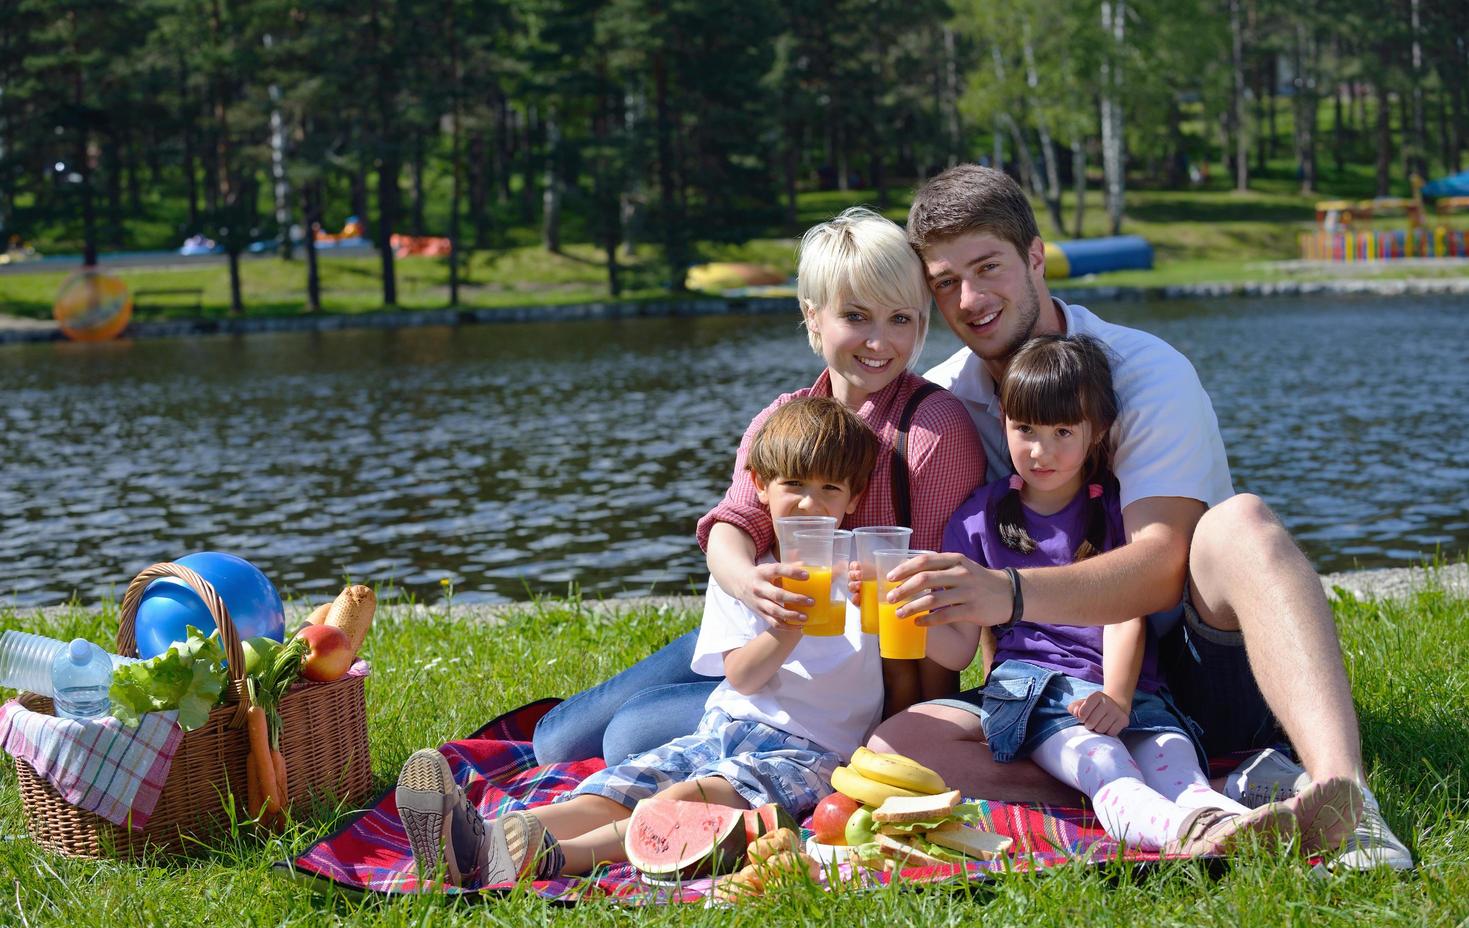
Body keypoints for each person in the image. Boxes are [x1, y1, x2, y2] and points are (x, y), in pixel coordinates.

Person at [868, 164, 1410, 870]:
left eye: (987, 267)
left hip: (1193, 669)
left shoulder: (1143, 371)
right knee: (894, 750)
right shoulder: (943, 402)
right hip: (1050, 694)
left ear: (1035, 257)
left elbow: (1159, 567)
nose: (969, 299)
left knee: (1239, 523)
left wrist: (1007, 591)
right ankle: (1196, 799)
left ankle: (1346, 803)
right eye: (944, 282)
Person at [531, 207, 984, 766]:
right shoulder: (785, 415)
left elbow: (950, 607)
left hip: (862, 682)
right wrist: (750, 585)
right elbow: (732, 525)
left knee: (626, 735)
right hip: (774, 636)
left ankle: (694, 719)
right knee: (554, 744)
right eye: (856, 316)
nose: (879, 341)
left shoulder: (932, 430)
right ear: (813, 317)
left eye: (901, 319)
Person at [396, 397, 885, 886]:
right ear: (758, 484)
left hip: (810, 754)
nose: (808, 503)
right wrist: (784, 628)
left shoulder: (866, 577)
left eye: (830, 488)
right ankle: (473, 838)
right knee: (619, 786)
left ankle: (544, 857)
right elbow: (743, 674)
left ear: (853, 497)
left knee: (679, 805)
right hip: (725, 724)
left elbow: (927, 657)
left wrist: (879, 604)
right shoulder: (747, 573)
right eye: (793, 485)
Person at [921, 332, 1346, 855]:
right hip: (1035, 693)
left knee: (1174, 758)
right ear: (1003, 420)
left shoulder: (1114, 510)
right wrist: (914, 610)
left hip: (1133, 691)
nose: (1040, 450)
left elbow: (1125, 613)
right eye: (1023, 428)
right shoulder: (978, 519)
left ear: (1095, 431)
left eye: (1061, 431)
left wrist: (1119, 697)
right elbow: (955, 650)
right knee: (1105, 765)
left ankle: (1228, 817)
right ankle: (1184, 835)